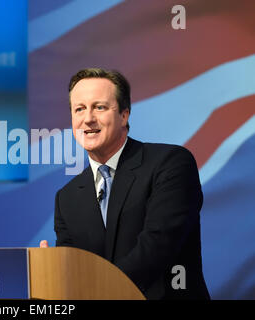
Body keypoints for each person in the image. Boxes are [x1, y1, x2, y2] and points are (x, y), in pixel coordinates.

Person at [44, 68, 210, 300]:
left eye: (99, 107)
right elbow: (75, 269)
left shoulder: (170, 163)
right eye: (79, 109)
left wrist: (95, 288)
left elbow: (157, 246)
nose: (88, 118)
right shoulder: (67, 197)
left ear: (124, 114)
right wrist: (52, 271)